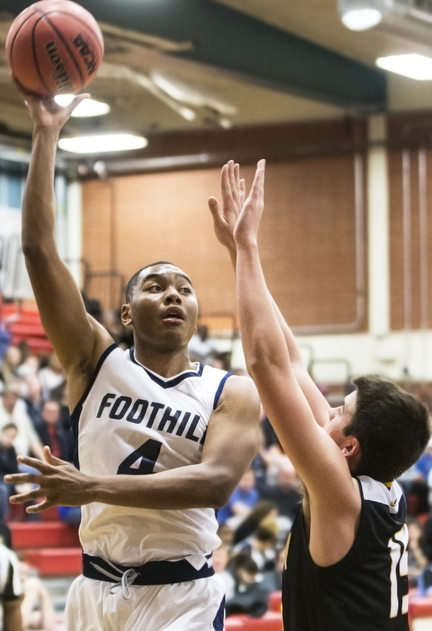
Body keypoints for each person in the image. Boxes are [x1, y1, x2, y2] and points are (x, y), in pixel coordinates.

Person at [5, 94, 260, 631]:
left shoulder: (229, 391)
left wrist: (90, 487)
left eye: (185, 289)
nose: (173, 295)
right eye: (156, 286)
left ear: (195, 314)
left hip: (181, 595)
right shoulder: (93, 360)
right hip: (94, 592)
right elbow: (38, 250)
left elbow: (213, 483)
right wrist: (47, 133)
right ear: (125, 310)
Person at [208, 159, 431, 630]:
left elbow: (265, 366)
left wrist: (248, 244)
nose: (326, 410)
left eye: (338, 412)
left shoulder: (338, 491)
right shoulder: (377, 488)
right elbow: (292, 362)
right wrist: (240, 254)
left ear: (349, 447)